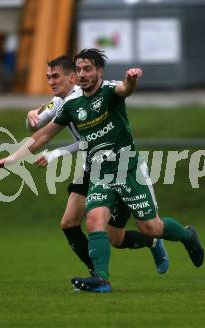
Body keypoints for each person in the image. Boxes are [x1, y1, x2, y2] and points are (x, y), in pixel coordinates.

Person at [0, 49, 204, 293]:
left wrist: (132, 79)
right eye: (79, 69)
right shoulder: (71, 104)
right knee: (94, 220)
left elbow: (125, 89)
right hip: (99, 172)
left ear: (99, 72)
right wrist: (12, 158)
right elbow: (41, 136)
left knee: (151, 227)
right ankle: (101, 279)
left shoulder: (109, 90)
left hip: (128, 168)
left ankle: (188, 236)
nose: (82, 74)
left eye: (87, 69)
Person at [26, 56, 169, 276]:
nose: (51, 82)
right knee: (70, 223)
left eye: (56, 77)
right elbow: (36, 128)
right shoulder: (58, 101)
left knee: (116, 237)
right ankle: (97, 273)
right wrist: (30, 117)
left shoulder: (84, 98)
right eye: (48, 78)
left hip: (112, 165)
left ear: (71, 77)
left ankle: (151, 242)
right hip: (89, 168)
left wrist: (55, 153)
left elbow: (87, 140)